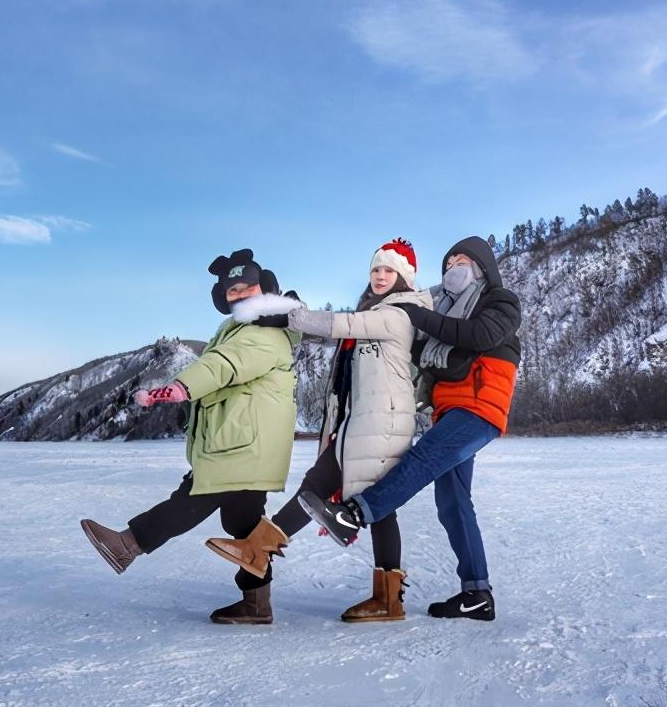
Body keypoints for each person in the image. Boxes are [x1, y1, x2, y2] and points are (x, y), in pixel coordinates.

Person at [205, 239, 433, 622]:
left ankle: (387, 598)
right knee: (320, 488)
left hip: (384, 422)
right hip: (360, 423)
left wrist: (288, 315)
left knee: (368, 503)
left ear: (404, 278)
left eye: (388, 271)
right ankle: (259, 551)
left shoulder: (399, 313)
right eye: (376, 270)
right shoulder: (377, 310)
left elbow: (338, 324)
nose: (379, 276)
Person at [298, 235, 520, 621]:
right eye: (448, 263)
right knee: (452, 503)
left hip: (480, 406)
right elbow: (419, 352)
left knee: (422, 459)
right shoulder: (445, 310)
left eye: (462, 260)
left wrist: (418, 316)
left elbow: (480, 336)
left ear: (482, 266)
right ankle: (477, 594)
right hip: (449, 409)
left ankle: (354, 513)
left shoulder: (499, 301)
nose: (454, 267)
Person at [79, 248, 300, 625]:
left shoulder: (264, 332)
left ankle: (128, 545)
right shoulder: (249, 328)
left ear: (265, 288)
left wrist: (181, 386)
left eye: (247, 288)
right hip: (242, 441)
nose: (240, 296)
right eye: (232, 293)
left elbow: (223, 366)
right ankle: (256, 603)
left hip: (242, 443)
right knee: (244, 527)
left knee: (192, 499)